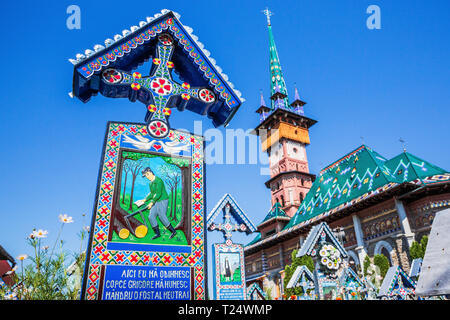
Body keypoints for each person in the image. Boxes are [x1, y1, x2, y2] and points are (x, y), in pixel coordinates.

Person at [135, 167, 176, 240]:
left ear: (151, 172)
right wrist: (145, 200)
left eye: (147, 174)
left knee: (162, 216)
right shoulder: (151, 183)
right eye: (145, 176)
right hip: (156, 201)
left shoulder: (159, 181)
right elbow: (152, 193)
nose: (147, 177)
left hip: (162, 200)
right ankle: (157, 233)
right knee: (151, 216)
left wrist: (151, 203)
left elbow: (158, 194)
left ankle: (173, 231)